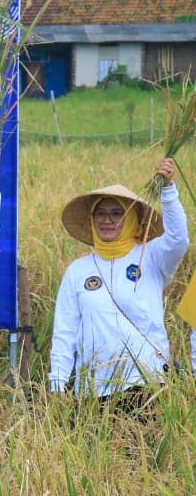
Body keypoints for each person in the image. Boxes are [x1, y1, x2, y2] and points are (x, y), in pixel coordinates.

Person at [49, 160, 186, 416]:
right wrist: (57, 384)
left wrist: (168, 190)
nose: (108, 220)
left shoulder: (152, 256)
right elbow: (64, 334)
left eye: (117, 212)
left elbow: (178, 239)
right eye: (101, 213)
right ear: (92, 219)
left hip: (146, 385)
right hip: (93, 390)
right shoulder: (78, 270)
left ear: (132, 217)